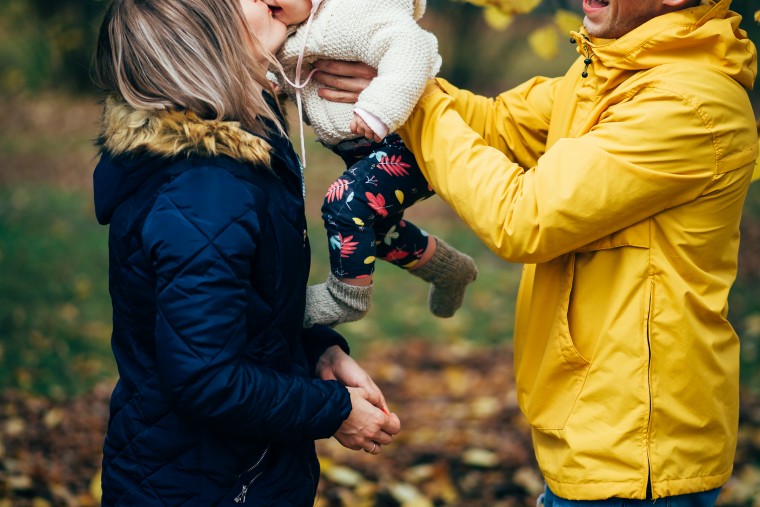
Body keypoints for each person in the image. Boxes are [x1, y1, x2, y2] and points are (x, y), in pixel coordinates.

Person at [315, 0, 759, 504]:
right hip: (594, 424)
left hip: (640, 449)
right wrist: (398, 79)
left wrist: (415, 104)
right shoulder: (608, 71)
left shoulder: (687, 105)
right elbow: (497, 123)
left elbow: (523, 218)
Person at [90, 0, 400, 505]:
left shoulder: (239, 156)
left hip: (238, 474)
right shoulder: (204, 188)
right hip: (200, 486)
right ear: (206, 41)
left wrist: (315, 350)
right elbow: (205, 378)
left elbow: (238, 310)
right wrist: (334, 410)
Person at [265, 0, 478, 328]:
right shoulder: (291, 26)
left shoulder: (355, 13)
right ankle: (449, 269)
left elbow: (409, 47)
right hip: (363, 148)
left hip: (407, 141)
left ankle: (346, 297)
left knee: (345, 203)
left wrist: (381, 106)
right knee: (374, 233)